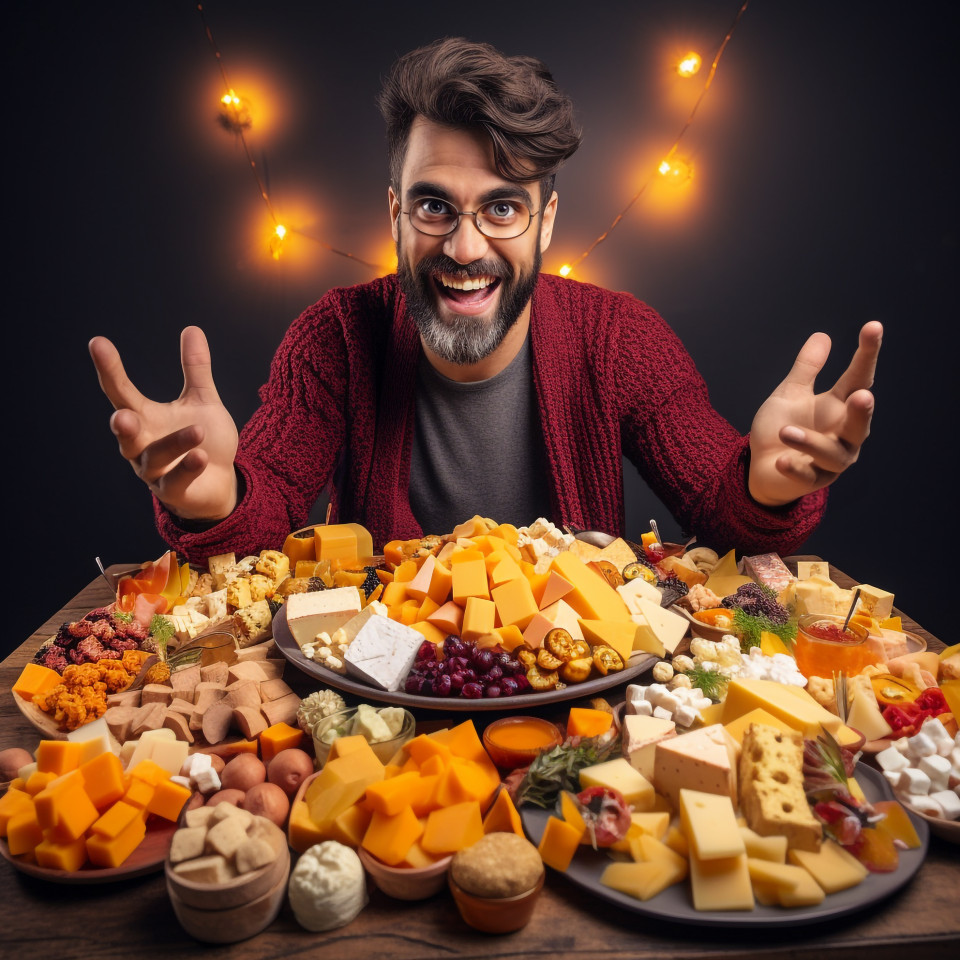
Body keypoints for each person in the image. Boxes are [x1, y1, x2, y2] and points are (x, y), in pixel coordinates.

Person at [89, 38, 881, 564]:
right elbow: (260, 516)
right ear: (395, 214)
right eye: (435, 207)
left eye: (502, 208)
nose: (465, 249)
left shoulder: (619, 338)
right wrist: (212, 499)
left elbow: (718, 504)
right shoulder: (334, 338)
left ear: (545, 223)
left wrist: (764, 485)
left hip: (577, 697)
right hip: (383, 697)